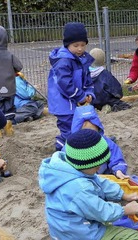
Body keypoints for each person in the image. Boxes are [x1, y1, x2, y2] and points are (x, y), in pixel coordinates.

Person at [38, 129, 138, 240]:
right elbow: (102, 212)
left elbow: (98, 181)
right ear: (85, 163)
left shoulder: (66, 168)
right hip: (81, 238)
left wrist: (123, 195)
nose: (99, 168)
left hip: (64, 237)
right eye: (96, 166)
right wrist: (124, 209)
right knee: (135, 239)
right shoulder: (78, 187)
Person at [47, 22, 95, 151]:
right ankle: (63, 147)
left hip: (75, 101)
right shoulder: (63, 61)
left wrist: (89, 93)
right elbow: (65, 84)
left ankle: (72, 144)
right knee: (69, 127)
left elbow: (88, 79)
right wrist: (80, 97)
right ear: (67, 44)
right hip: (63, 103)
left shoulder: (82, 58)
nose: (80, 49)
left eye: (83, 45)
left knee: (78, 125)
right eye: (76, 45)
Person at [69, 106, 129, 179]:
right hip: (82, 178)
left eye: (93, 132)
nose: (90, 137)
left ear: (98, 129)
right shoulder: (71, 147)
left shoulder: (105, 142)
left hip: (105, 175)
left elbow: (116, 158)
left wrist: (118, 170)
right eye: (85, 132)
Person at [88, 48, 132, 113]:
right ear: (103, 60)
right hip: (103, 99)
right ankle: (108, 107)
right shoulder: (104, 74)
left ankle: (96, 108)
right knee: (125, 105)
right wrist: (118, 95)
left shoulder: (84, 73)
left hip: (89, 100)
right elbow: (116, 89)